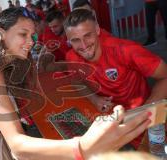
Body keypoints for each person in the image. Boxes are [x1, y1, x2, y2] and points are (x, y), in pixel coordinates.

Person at [0, 8, 151, 159]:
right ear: (1, 33)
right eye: (22, 34)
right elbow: (18, 146)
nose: (30, 42)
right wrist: (83, 146)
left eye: (32, 35)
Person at [64, 9, 167, 148]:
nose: (83, 45)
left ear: (98, 30)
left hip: (143, 122)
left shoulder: (125, 50)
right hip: (108, 124)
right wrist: (93, 98)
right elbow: (75, 80)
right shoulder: (71, 57)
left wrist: (145, 111)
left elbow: (165, 76)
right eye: (75, 40)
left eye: (87, 36)